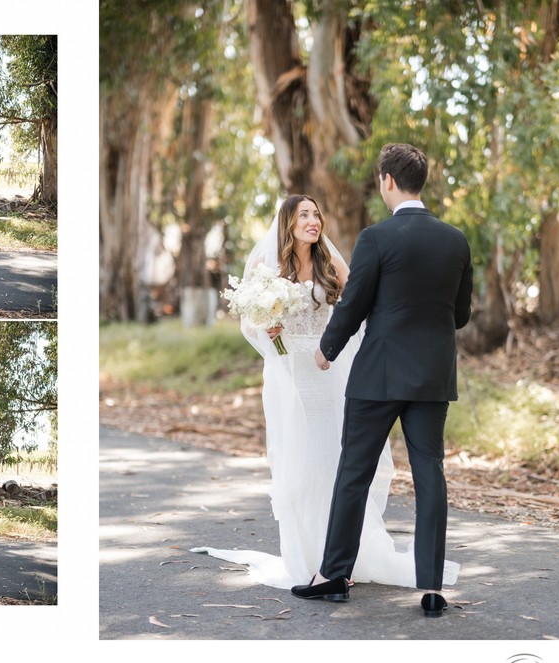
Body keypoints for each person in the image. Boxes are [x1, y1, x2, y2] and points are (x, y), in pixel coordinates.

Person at [192, 193, 460, 591]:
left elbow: (359, 306)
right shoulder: (268, 268)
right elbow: (250, 322)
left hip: (329, 371)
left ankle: (343, 559)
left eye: (316, 214)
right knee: (298, 465)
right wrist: (268, 331)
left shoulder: (330, 263)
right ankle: (308, 556)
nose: (313, 221)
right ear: (288, 223)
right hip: (289, 374)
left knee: (336, 461)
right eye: (304, 215)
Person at [291, 143, 473, 617]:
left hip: (377, 374)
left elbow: (354, 304)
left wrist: (327, 349)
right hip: (432, 376)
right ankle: (432, 588)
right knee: (429, 473)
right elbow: (461, 314)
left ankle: (333, 576)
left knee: (354, 471)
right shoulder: (455, 240)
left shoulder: (376, 238)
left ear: (387, 181)